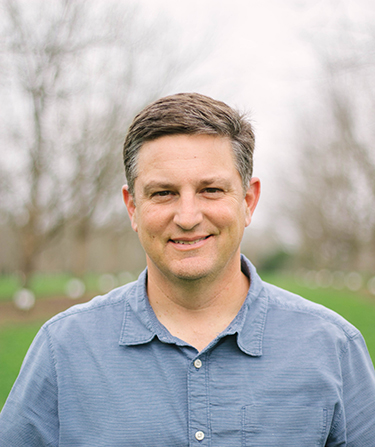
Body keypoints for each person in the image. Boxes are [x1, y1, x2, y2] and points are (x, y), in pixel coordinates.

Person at [0, 93, 374, 446]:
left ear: (248, 200)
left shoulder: (334, 348)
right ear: (132, 207)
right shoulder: (63, 349)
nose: (188, 217)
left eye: (211, 189)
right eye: (163, 192)